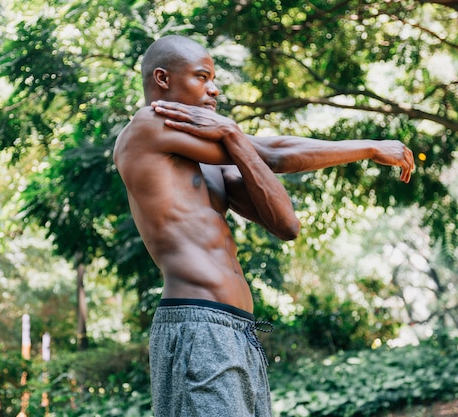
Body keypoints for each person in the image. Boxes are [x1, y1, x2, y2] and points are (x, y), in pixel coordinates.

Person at [112, 35, 414, 417]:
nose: (215, 88)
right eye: (202, 77)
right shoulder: (148, 125)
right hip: (197, 326)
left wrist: (234, 137)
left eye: (214, 78)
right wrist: (369, 148)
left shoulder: (210, 158)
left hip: (239, 330)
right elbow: (272, 153)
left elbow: (286, 223)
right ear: (163, 78)